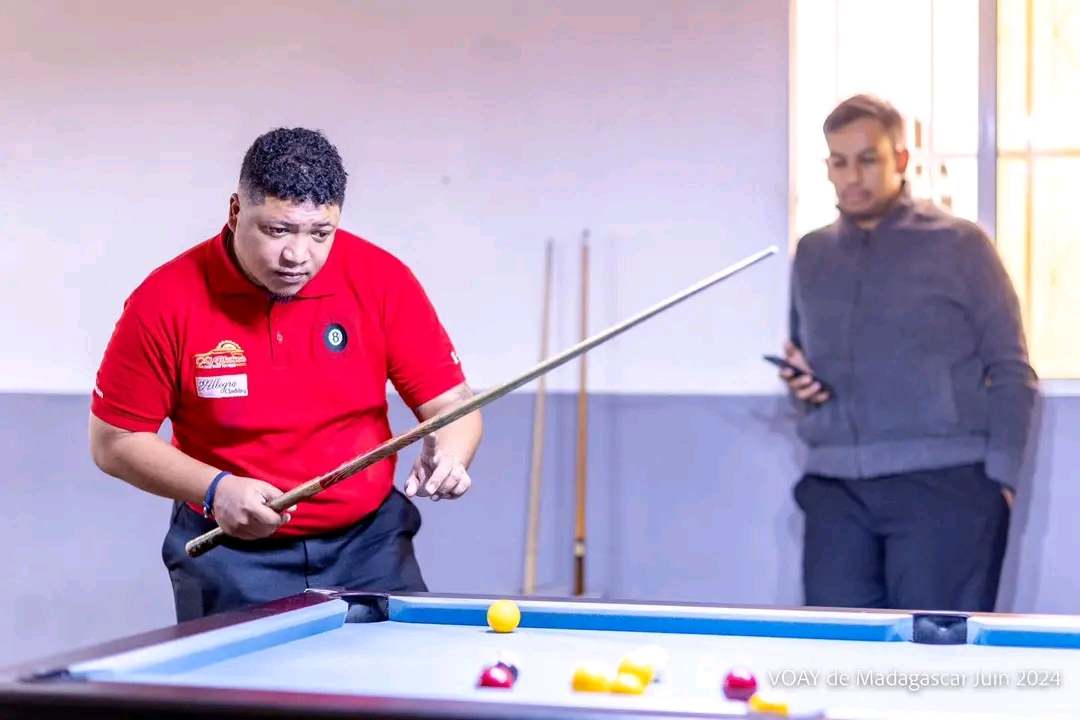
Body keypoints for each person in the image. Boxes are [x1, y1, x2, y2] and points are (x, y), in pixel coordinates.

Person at [89, 127, 483, 622]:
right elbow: (114, 441)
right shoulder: (164, 300)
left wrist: (451, 453)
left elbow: (452, 404)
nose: (298, 256)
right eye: (278, 230)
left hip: (370, 546)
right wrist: (215, 489)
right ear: (236, 211)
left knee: (400, 672)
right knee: (236, 678)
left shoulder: (382, 279)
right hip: (229, 552)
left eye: (320, 233)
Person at [780, 94, 1038, 613]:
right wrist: (801, 383)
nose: (852, 176)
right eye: (839, 162)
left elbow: (1012, 369)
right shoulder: (811, 254)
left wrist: (1001, 482)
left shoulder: (961, 244)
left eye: (867, 159)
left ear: (900, 159)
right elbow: (804, 356)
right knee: (835, 652)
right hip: (835, 492)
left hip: (946, 486)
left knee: (932, 657)